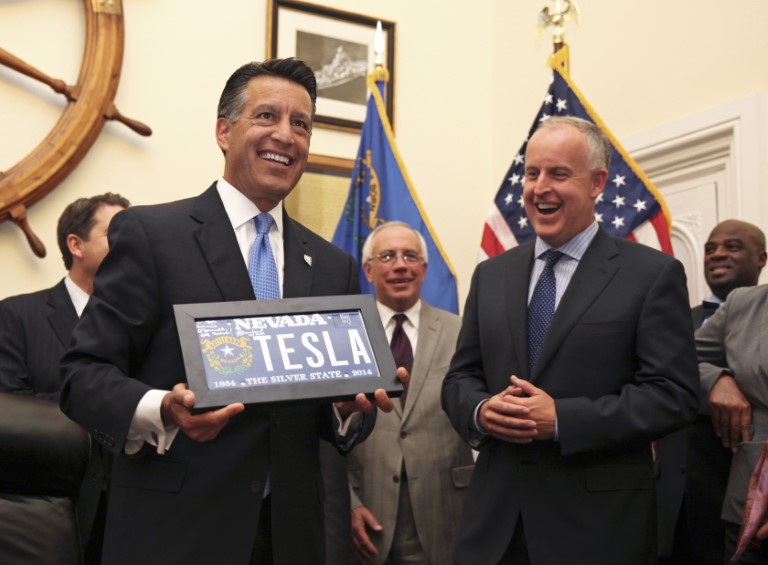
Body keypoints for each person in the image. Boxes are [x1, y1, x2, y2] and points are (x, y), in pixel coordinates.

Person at [59, 58, 393, 565]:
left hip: (290, 539)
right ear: (223, 130)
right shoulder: (152, 236)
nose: (285, 135)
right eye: (266, 117)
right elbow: (81, 376)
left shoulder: (333, 265)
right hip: (176, 535)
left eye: (300, 124)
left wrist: (346, 411)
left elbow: (326, 411)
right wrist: (162, 409)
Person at [441, 115, 699, 565]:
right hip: (495, 529)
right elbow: (459, 378)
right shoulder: (491, 275)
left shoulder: (651, 275)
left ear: (598, 182)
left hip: (598, 530)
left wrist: (561, 418)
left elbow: (673, 395)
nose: (541, 188)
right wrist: (482, 410)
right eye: (533, 173)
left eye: (559, 174)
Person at [0, 192, 129, 564]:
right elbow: (7, 411)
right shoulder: (15, 316)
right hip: (45, 508)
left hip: (132, 508)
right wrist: (109, 404)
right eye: (117, 233)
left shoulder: (146, 324)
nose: (130, 244)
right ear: (76, 245)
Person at [347, 221, 474, 564]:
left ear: (424, 268)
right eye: (388, 256)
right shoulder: (346, 335)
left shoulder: (462, 331)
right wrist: (349, 502)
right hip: (366, 511)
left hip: (447, 513)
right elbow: (323, 428)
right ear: (369, 271)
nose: (401, 264)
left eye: (410, 256)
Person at [657, 220, 766, 564]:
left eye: (732, 247)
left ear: (761, 258)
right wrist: (717, 379)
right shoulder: (741, 305)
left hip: (735, 482)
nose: (718, 254)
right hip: (709, 502)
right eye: (710, 248)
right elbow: (674, 363)